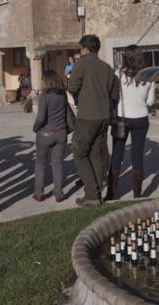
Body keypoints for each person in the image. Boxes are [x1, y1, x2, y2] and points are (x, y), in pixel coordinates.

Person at [67, 35, 118, 207]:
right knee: (95, 154)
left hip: (87, 116)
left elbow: (72, 87)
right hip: (104, 116)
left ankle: (91, 194)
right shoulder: (107, 67)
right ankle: (97, 192)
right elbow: (114, 92)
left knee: (79, 153)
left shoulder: (81, 64)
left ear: (85, 49)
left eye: (81, 49)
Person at [105, 45, 156, 200]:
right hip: (141, 118)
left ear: (126, 58)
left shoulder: (118, 74)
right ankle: (137, 195)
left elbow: (113, 96)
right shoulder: (149, 76)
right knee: (137, 156)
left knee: (117, 154)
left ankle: (111, 193)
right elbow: (150, 101)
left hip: (122, 119)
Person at [32, 70, 69, 202]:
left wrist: (35, 128)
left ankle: (39, 193)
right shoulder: (62, 95)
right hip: (61, 132)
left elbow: (41, 118)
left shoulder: (44, 97)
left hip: (45, 134)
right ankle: (58, 193)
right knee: (57, 163)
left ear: (46, 81)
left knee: (40, 163)